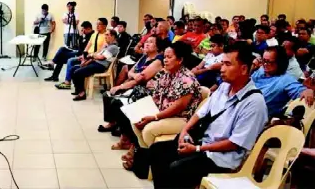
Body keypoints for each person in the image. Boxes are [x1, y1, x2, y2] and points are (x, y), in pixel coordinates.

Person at [149, 41, 268, 189]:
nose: (221, 69)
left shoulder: (254, 102)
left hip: (222, 157)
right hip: (202, 142)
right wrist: (185, 130)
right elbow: (201, 112)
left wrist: (198, 149)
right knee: (157, 151)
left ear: (244, 69)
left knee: (177, 167)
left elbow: (235, 143)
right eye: (222, 63)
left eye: (227, 64)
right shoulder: (224, 87)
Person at [116, 41, 202, 164]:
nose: (165, 60)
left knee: (149, 129)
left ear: (180, 60)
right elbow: (156, 95)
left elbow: (178, 107)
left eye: (169, 57)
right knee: (135, 119)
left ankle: (146, 160)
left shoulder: (187, 79)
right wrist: (145, 110)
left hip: (181, 118)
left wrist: (154, 117)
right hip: (162, 113)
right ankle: (144, 155)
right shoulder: (165, 74)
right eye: (165, 57)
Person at [99, 35, 168, 133]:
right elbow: (131, 71)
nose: (147, 44)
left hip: (143, 89)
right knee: (107, 94)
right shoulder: (145, 57)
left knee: (116, 100)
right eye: (146, 41)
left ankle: (123, 131)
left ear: (157, 47)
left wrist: (122, 85)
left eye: (151, 42)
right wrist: (134, 75)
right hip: (134, 84)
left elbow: (141, 79)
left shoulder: (157, 61)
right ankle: (113, 123)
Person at [251, 46, 314, 117]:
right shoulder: (261, 70)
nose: (265, 64)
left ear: (279, 62)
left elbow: (299, 90)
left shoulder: (286, 80)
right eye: (264, 60)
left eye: (269, 62)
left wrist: (307, 91)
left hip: (257, 117)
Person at [55, 18, 108, 89]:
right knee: (69, 59)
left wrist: (89, 57)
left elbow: (101, 51)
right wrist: (84, 55)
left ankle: (68, 82)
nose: (97, 26)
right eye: (97, 24)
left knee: (68, 59)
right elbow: (87, 47)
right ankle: (67, 82)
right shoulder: (94, 34)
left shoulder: (106, 36)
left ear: (104, 26)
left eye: (99, 24)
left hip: (94, 58)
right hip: (87, 56)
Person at [71, 29, 120, 101]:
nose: (105, 36)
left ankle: (82, 93)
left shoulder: (113, 47)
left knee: (77, 72)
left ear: (113, 36)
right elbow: (97, 55)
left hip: (100, 66)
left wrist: (91, 56)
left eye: (107, 35)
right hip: (96, 63)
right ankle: (78, 90)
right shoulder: (107, 46)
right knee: (73, 69)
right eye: (105, 34)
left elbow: (101, 57)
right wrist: (88, 60)